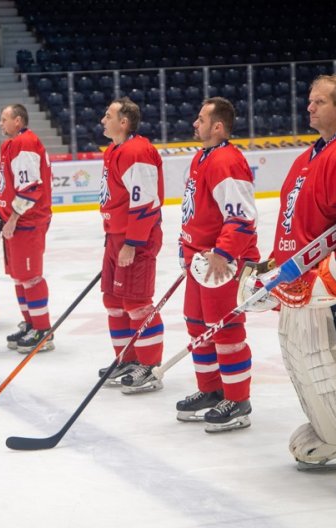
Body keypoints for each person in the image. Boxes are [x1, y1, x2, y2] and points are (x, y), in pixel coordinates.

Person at [257, 74, 336, 493]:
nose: (310, 107)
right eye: (310, 100)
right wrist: (272, 270)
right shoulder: (306, 157)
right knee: (307, 361)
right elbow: (297, 229)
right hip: (304, 285)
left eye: (320, 101)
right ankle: (335, 430)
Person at [176, 97, 259, 430]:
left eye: (201, 119)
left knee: (225, 331)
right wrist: (185, 250)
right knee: (198, 326)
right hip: (199, 260)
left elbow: (241, 217)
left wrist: (224, 253)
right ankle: (211, 390)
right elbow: (195, 212)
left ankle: (237, 400)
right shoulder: (202, 157)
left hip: (220, 262)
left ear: (218, 126)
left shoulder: (226, 160)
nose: (195, 124)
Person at [97, 97, 164, 394]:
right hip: (117, 237)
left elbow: (146, 202)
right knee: (113, 301)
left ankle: (149, 366)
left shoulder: (137, 152)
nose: (102, 120)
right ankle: (127, 358)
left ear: (123, 122)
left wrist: (132, 242)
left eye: (108, 115)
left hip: (135, 240)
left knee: (137, 303)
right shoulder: (114, 150)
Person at [0, 103, 54, 353]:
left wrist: (12, 218)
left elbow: (31, 188)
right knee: (20, 276)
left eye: (4, 118)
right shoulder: (12, 144)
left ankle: (42, 330)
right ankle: (31, 323)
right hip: (18, 222)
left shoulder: (26, 144)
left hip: (27, 221)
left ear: (18, 121)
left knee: (30, 277)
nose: (1, 123)